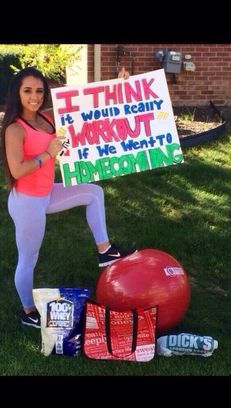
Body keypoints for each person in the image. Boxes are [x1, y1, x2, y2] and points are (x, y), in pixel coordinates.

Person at [1, 67, 136, 328]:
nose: (34, 96)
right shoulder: (14, 130)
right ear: (17, 93)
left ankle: (105, 251)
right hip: (27, 202)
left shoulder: (46, 119)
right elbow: (17, 169)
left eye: (39, 90)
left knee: (95, 193)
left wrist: (117, 88)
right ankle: (29, 312)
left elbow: (86, 108)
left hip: (48, 192)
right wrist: (48, 154)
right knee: (29, 258)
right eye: (27, 90)